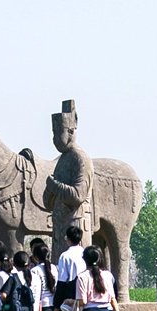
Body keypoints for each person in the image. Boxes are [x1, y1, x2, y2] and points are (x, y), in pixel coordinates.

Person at [43, 100, 93, 257]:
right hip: (60, 227)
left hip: (75, 223)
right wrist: (49, 191)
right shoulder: (63, 159)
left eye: (59, 133)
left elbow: (78, 195)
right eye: (53, 133)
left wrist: (54, 186)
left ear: (71, 132)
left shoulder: (80, 158)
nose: (55, 139)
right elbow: (48, 203)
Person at [54, 226, 87, 311]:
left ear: (67, 239)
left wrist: (57, 304)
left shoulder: (65, 256)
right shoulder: (86, 253)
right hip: (87, 296)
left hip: (72, 295)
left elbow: (62, 281)